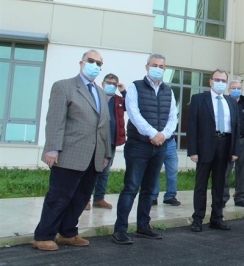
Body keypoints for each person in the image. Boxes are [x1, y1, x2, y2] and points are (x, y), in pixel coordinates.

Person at [32, 50, 111, 251]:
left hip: (94, 156)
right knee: (59, 197)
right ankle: (43, 236)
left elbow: (104, 125)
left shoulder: (101, 93)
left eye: (99, 63)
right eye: (91, 61)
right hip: (69, 154)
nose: (95, 66)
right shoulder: (64, 86)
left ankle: (68, 233)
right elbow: (55, 120)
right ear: (81, 63)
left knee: (81, 198)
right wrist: (52, 148)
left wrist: (106, 154)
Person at [112, 54, 179, 245]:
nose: (158, 68)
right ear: (147, 67)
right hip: (138, 145)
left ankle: (143, 225)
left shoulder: (168, 91)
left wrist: (163, 135)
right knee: (131, 187)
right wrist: (152, 133)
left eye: (161, 66)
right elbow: (134, 114)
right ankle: (120, 229)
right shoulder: (135, 87)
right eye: (154, 65)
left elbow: (173, 116)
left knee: (149, 189)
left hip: (160, 146)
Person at [187, 70, 240, 232]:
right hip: (205, 146)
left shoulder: (231, 102)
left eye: (223, 81)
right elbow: (192, 126)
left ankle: (217, 218)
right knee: (201, 184)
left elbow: (236, 127)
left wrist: (235, 150)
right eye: (217, 80)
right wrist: (193, 151)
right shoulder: (198, 99)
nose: (220, 83)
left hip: (225, 145)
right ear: (210, 81)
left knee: (220, 184)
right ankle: (198, 219)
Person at [87, 73, 127, 210]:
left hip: (111, 140)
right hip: (95, 139)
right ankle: (85, 199)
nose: (111, 86)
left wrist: (124, 91)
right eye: (108, 83)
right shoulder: (95, 96)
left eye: (114, 84)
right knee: (90, 170)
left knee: (105, 171)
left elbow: (132, 106)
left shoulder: (120, 100)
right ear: (103, 83)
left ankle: (99, 198)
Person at [223, 80, 244, 207]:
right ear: (229, 90)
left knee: (243, 171)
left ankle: (240, 197)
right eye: (233, 88)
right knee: (225, 171)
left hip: (243, 140)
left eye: (238, 88)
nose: (236, 90)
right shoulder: (224, 102)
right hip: (228, 141)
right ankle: (222, 197)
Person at [151, 135, 181, 206]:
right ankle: (153, 197)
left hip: (170, 142)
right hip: (156, 142)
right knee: (155, 171)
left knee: (173, 170)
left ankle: (170, 196)